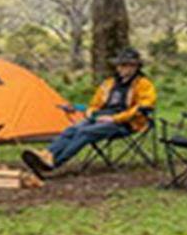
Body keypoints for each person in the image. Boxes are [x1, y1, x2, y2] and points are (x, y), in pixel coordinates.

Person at [23, 47, 157, 175]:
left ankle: (54, 163)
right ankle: (47, 154)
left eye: (125, 65)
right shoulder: (109, 83)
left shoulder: (143, 84)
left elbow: (144, 107)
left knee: (85, 132)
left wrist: (115, 119)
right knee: (72, 129)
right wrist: (92, 113)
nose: (120, 68)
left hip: (125, 123)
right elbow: (94, 104)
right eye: (119, 65)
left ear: (135, 67)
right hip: (101, 118)